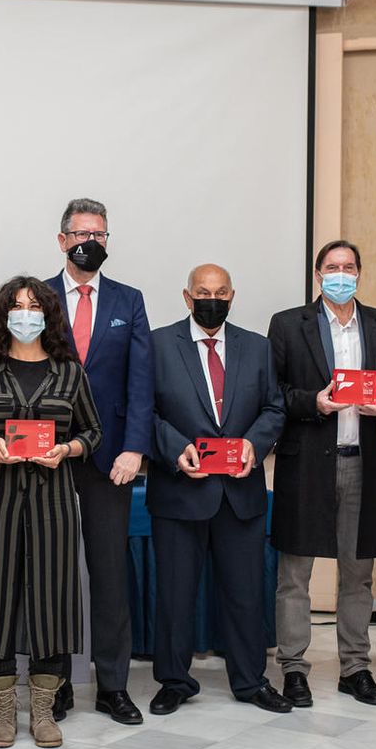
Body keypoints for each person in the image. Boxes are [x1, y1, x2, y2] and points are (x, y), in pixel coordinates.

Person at [0, 277, 102, 748]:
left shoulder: (68, 371)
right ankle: (1, 712)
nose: (25, 314)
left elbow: (92, 432)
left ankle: (42, 710)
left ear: (48, 315)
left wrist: (68, 449)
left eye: (34, 306)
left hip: (53, 498)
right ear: (3, 315)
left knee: (52, 602)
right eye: (17, 306)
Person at [147, 264, 290, 715]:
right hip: (179, 490)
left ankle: (251, 682)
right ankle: (174, 680)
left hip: (240, 492)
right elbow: (143, 411)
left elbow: (274, 407)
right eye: (203, 292)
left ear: (232, 296)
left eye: (221, 292)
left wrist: (254, 442)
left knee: (246, 594)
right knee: (174, 595)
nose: (213, 299)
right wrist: (175, 449)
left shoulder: (258, 347)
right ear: (187, 298)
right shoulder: (156, 345)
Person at [267, 240, 376, 709]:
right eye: (332, 267)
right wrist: (314, 402)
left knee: (358, 572)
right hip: (306, 461)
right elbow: (274, 392)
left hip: (362, 460)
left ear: (360, 273)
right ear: (318, 274)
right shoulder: (287, 324)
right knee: (294, 575)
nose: (340, 274)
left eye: (348, 267)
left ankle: (355, 668)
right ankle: (294, 668)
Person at [44, 198, 152, 725]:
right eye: (83, 233)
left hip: (112, 462)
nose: (92, 241)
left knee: (110, 576)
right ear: (62, 239)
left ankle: (113, 686)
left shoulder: (128, 300)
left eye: (101, 234)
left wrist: (135, 448)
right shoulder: (36, 298)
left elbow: (140, 381)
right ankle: (56, 683)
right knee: (55, 575)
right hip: (49, 462)